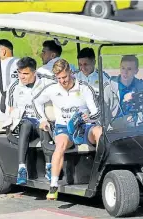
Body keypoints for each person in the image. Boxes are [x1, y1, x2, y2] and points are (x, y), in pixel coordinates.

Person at [33, 59, 103, 200]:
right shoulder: (53, 89)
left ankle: (102, 173)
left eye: (64, 77)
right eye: (58, 78)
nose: (62, 81)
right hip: (64, 127)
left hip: (83, 125)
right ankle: (53, 185)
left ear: (70, 73)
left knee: (99, 132)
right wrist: (42, 119)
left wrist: (88, 117)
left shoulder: (84, 88)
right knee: (61, 144)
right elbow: (36, 101)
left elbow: (97, 112)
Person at [4, 56, 54, 185]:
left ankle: (49, 167)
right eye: (19, 73)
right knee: (26, 125)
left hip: (42, 121)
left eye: (25, 73)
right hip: (23, 122)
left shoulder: (46, 81)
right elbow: (10, 110)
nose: (22, 77)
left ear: (34, 72)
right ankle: (22, 168)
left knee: (43, 126)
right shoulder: (14, 87)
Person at [104, 55, 143, 124]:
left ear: (136, 71)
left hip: (138, 123)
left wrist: (133, 96)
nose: (125, 72)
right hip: (115, 124)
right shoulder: (110, 86)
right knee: (129, 122)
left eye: (129, 69)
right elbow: (104, 111)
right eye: (123, 68)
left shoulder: (140, 85)